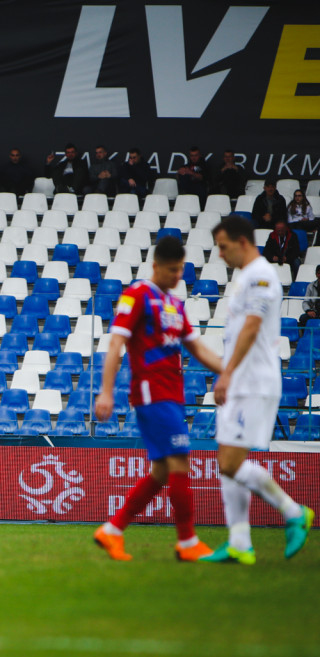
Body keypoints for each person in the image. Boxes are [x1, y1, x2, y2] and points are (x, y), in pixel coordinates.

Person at [92, 236, 222, 562]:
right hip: (152, 393)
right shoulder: (137, 296)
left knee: (163, 471)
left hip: (172, 394)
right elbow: (115, 345)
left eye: (180, 270)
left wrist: (229, 370)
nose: (177, 276)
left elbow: (198, 348)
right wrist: (106, 392)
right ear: (156, 266)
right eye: (172, 269)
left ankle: (112, 530)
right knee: (180, 462)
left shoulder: (175, 305)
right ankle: (188, 542)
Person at [200, 216, 313, 564]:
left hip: (253, 381)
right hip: (243, 381)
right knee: (226, 461)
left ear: (243, 242)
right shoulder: (246, 278)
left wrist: (227, 372)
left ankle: (294, 512)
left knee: (229, 462)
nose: (220, 254)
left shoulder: (262, 275)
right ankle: (239, 542)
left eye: (223, 246)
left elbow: (251, 327)